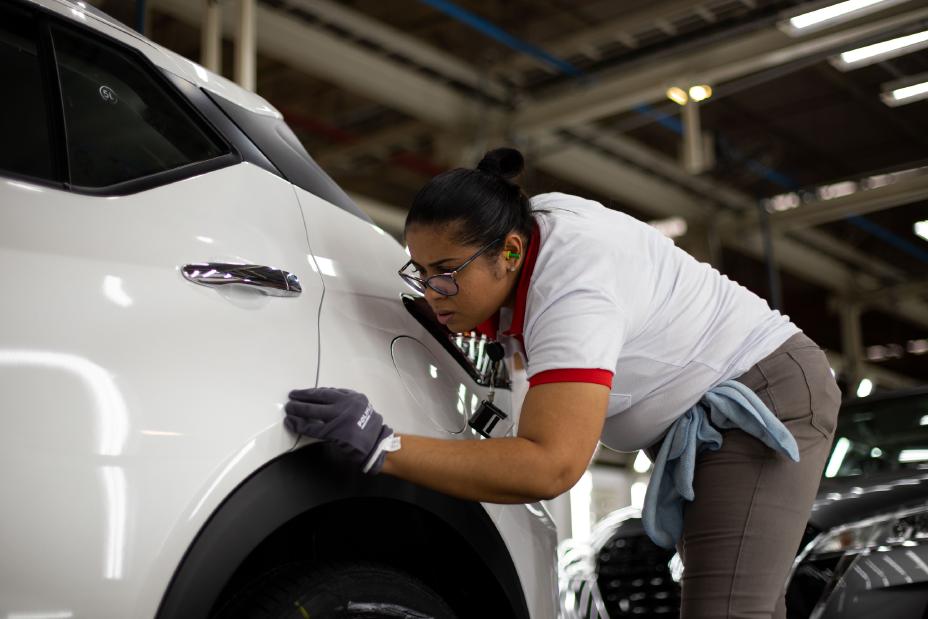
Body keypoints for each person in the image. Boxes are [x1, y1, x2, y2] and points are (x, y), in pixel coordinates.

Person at [284, 147, 841, 618]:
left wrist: (387, 445)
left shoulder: (572, 282)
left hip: (763, 397)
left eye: (447, 272)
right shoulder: (523, 241)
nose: (432, 293)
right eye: (421, 272)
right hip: (712, 412)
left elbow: (551, 465)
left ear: (509, 253)